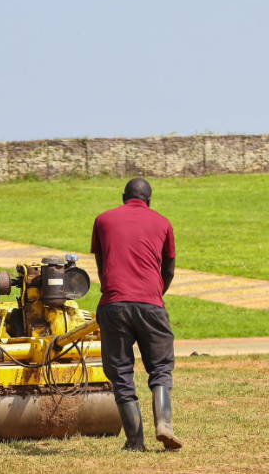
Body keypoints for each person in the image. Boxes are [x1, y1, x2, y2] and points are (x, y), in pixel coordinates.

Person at [91, 177, 181, 452]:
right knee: (161, 367)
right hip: (152, 304)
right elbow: (169, 269)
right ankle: (164, 424)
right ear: (149, 200)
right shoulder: (163, 222)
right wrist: (156, 295)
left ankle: (135, 441)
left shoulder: (103, 220)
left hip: (114, 303)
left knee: (120, 372)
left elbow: (102, 264)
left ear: (123, 197)